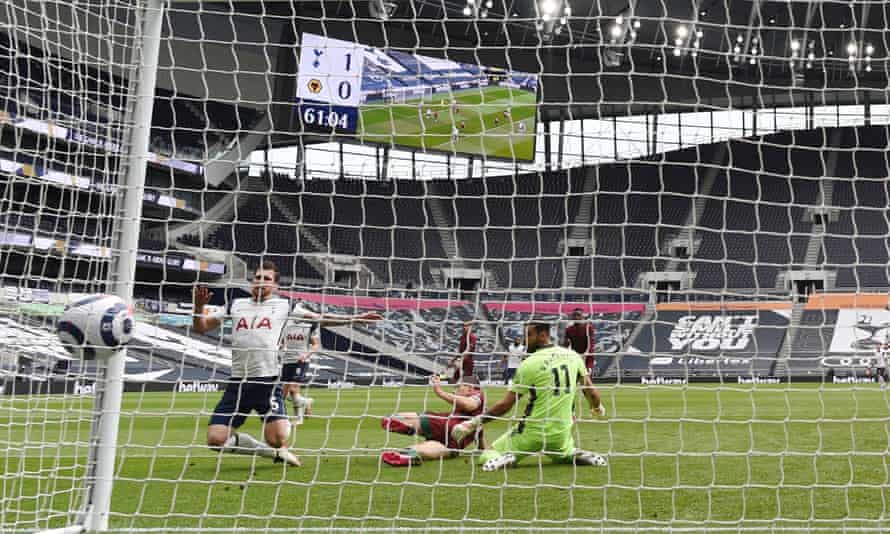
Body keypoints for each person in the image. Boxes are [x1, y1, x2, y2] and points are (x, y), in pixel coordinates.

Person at [192, 260, 382, 467]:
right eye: (257, 278)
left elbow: (320, 318)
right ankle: (273, 454)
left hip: (268, 382)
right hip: (238, 383)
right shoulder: (235, 304)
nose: (260, 282)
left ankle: (280, 440)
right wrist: (199, 306)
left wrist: (354, 319)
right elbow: (201, 328)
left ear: (275, 285)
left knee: (278, 438)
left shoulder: (285, 305)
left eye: (266, 279)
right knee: (215, 440)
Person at [451, 320, 607, 471]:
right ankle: (577, 454)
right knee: (563, 454)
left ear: (543, 335)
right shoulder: (573, 356)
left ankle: (509, 457)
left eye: (529, 335)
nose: (525, 340)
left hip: (531, 432)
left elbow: (505, 405)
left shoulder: (529, 364)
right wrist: (597, 408)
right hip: (561, 432)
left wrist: (473, 423)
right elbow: (590, 391)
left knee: (488, 453)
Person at [380, 375, 485, 466]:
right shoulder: (479, 419)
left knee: (396, 419)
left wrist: (441, 393)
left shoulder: (478, 395)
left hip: (445, 424)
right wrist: (483, 449)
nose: (454, 390)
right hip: (453, 443)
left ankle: (407, 425)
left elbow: (470, 404)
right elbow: (480, 435)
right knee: (434, 447)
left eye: (458, 387)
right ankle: (408, 454)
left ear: (470, 388)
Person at [280, 309, 321, 425]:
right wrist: (282, 347)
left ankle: (304, 406)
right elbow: (282, 340)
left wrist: (306, 354)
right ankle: (302, 410)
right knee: (288, 393)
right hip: (286, 360)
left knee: (292, 388)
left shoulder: (310, 325)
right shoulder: (286, 323)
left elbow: (316, 344)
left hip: (301, 360)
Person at [563, 308, 597, 376]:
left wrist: (586, 354)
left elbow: (591, 344)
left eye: (578, 315)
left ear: (582, 316)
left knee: (587, 377)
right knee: (574, 377)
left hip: (588, 357)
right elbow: (566, 344)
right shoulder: (569, 329)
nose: (576, 317)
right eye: (574, 315)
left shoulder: (588, 327)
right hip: (575, 357)